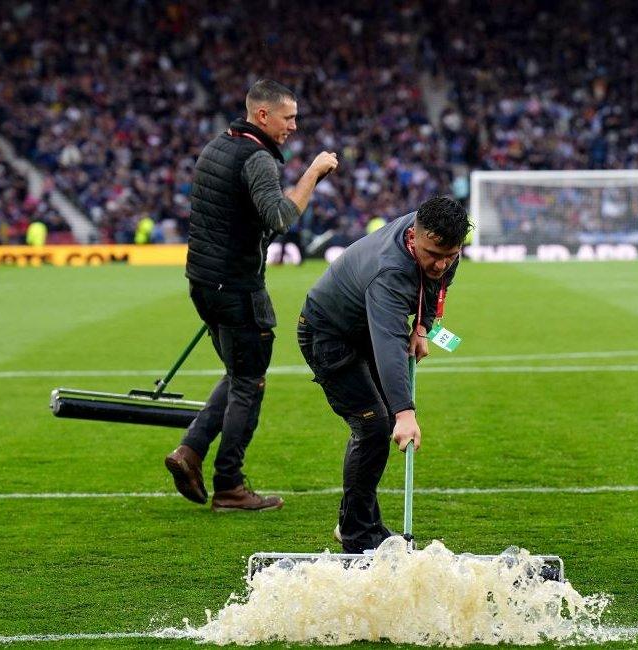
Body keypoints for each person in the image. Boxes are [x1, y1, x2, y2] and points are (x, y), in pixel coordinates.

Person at [165, 79, 338, 511]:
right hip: (236, 289)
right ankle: (230, 485)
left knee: (236, 373)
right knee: (249, 383)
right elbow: (280, 218)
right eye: (289, 117)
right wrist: (313, 173)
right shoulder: (256, 157)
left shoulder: (216, 146)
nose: (294, 126)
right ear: (263, 115)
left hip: (203, 283)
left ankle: (188, 452)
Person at [296, 196, 470, 551]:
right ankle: (357, 534)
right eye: (432, 254)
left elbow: (437, 285)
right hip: (328, 334)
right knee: (374, 424)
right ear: (415, 236)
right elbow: (389, 346)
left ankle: (360, 522)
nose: (441, 264)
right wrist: (406, 414)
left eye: (450, 255)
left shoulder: (441, 242)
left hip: (362, 327)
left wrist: (422, 327)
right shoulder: (390, 272)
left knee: (377, 420)